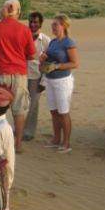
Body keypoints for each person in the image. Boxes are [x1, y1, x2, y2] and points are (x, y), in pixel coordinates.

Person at [0, 0, 36, 153]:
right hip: (19, 74)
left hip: (0, 74)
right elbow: (31, 55)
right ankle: (17, 144)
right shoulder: (24, 30)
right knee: (19, 109)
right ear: (18, 12)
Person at [39, 14, 79, 153]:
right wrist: (43, 58)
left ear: (64, 26)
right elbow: (46, 60)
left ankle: (66, 142)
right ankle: (56, 139)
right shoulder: (53, 42)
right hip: (50, 80)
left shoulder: (68, 42)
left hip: (63, 81)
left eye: (55, 24)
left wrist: (57, 66)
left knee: (63, 112)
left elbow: (75, 63)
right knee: (54, 111)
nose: (53, 27)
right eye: (52, 24)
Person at [23, 12, 51, 141]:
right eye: (31, 22)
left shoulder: (45, 40)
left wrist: (43, 82)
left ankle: (29, 131)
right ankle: (19, 128)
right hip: (22, 75)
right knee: (20, 103)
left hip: (37, 77)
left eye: (35, 22)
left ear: (40, 23)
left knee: (33, 105)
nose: (33, 24)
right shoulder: (22, 36)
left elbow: (48, 63)